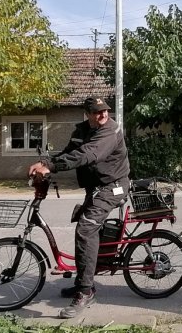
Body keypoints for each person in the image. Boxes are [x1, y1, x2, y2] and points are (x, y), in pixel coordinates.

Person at [28, 96, 130, 319]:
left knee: (86, 229)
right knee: (82, 229)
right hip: (95, 188)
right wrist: (46, 163)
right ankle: (82, 280)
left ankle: (86, 291)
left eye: (104, 111)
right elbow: (69, 152)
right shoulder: (81, 130)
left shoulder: (110, 131)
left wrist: (52, 167)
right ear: (87, 113)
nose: (102, 115)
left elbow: (88, 155)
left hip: (113, 187)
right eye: (96, 112)